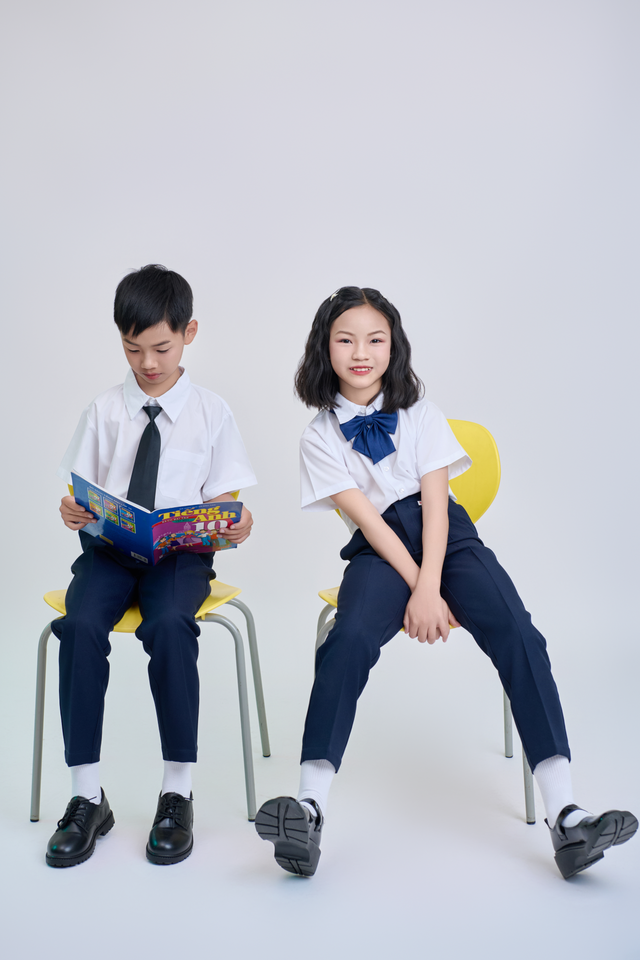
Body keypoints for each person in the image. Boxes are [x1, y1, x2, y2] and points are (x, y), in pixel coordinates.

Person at [255, 285, 637, 880]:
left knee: (519, 633)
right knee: (347, 638)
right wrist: (418, 589)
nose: (362, 352)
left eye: (375, 339)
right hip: (380, 549)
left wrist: (431, 584)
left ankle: (566, 815)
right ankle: (309, 808)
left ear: (394, 346)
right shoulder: (319, 436)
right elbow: (368, 521)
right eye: (346, 340)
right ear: (323, 349)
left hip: (448, 539)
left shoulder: (421, 412)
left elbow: (436, 502)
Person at [47, 264, 256, 868]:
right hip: (110, 552)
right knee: (79, 626)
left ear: (189, 333)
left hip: (179, 558)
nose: (148, 363)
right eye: (132, 348)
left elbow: (227, 500)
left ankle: (177, 792)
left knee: (169, 624)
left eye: (161, 348)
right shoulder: (105, 409)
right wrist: (72, 510)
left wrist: (237, 520)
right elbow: (80, 491)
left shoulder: (212, 412)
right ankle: (88, 797)